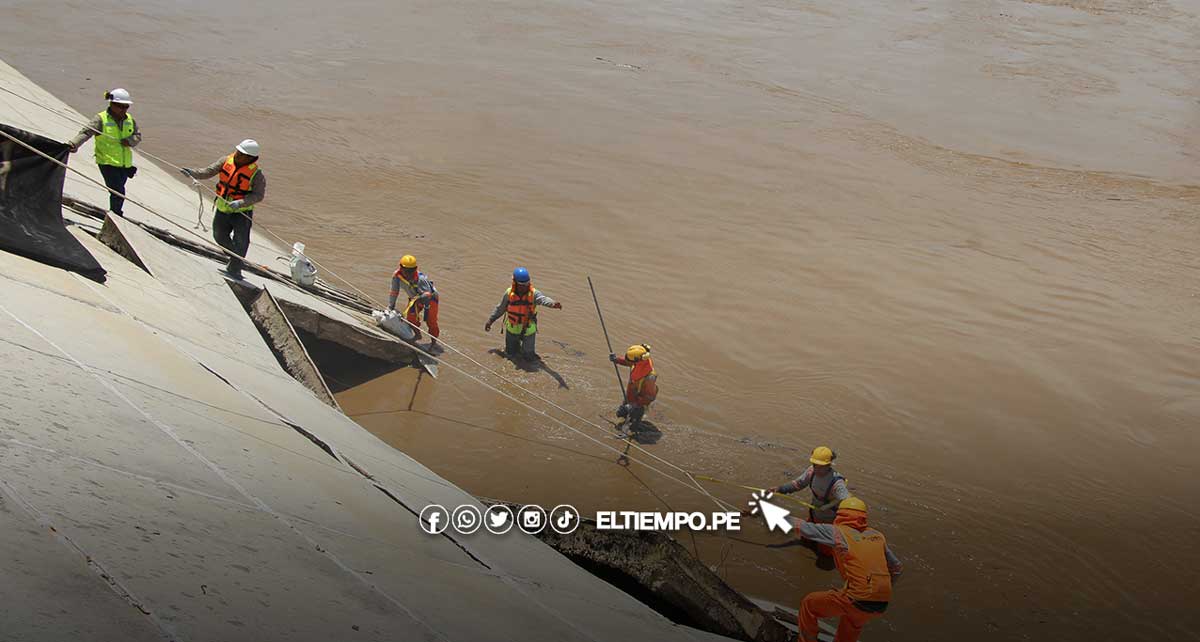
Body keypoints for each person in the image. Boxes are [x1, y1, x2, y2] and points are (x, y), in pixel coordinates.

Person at [788, 497, 902, 642]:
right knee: (852, 622)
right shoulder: (877, 536)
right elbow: (897, 568)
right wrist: (879, 589)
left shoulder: (838, 532)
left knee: (809, 604)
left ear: (840, 514)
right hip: (881, 602)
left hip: (857, 597)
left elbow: (802, 527)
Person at [180, 140, 266, 279]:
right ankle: (235, 257)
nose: (238, 154)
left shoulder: (257, 175)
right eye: (238, 151)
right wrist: (192, 173)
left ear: (250, 158)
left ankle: (235, 268)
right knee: (219, 236)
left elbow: (258, 195)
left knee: (241, 241)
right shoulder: (225, 160)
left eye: (242, 154)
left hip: (242, 212)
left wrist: (241, 202)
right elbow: (208, 171)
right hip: (223, 207)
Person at [67, 88, 141, 217]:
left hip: (124, 164)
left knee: (118, 191)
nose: (123, 109)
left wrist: (130, 141)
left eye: (126, 107)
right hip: (107, 162)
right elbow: (86, 132)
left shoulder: (130, 120)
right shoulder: (101, 119)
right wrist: (74, 144)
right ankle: (116, 215)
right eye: (120, 106)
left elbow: (137, 136)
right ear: (111, 104)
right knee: (118, 191)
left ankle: (114, 214)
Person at [484, 266, 561, 359]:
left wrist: (553, 304)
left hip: (528, 330)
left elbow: (543, 299)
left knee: (529, 357)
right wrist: (490, 320)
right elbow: (500, 308)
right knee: (510, 355)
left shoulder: (534, 293)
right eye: (521, 284)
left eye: (526, 284)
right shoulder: (509, 293)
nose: (524, 287)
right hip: (512, 329)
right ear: (515, 283)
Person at [770, 446, 850, 524]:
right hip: (814, 513)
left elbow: (845, 499)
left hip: (830, 519)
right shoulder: (811, 471)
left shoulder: (836, 482)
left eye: (821, 467)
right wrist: (780, 489)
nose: (817, 470)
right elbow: (798, 484)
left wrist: (828, 506)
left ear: (829, 465)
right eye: (815, 465)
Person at [388, 254, 441, 351]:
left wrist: (421, 299)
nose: (409, 273)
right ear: (400, 267)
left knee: (431, 322)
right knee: (411, 319)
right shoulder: (397, 276)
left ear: (416, 268)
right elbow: (394, 292)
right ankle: (417, 335)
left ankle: (433, 343)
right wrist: (391, 306)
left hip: (430, 300)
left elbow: (427, 294)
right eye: (406, 270)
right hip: (414, 299)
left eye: (412, 270)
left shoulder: (421, 279)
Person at [609, 343, 658, 428]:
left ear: (637, 361)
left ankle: (634, 430)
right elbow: (629, 362)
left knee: (634, 422)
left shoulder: (649, 377)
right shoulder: (639, 361)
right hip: (630, 396)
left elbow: (650, 397)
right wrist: (617, 360)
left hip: (639, 403)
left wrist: (634, 406)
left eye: (630, 360)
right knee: (620, 414)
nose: (628, 361)